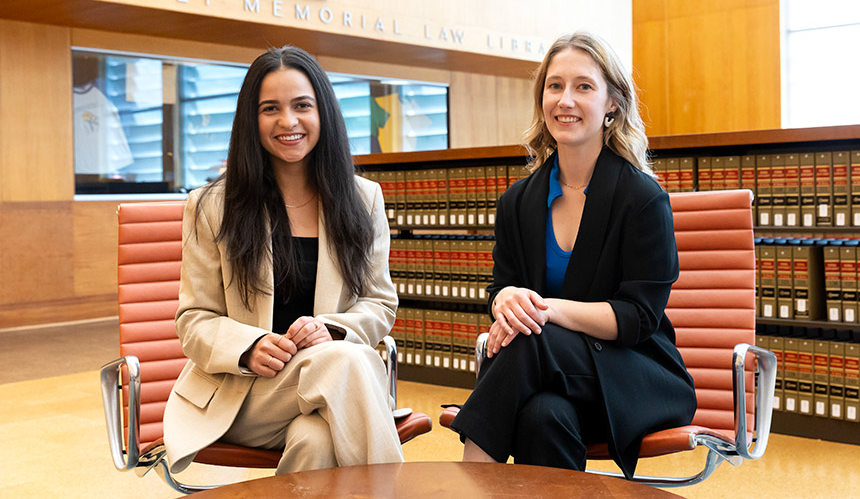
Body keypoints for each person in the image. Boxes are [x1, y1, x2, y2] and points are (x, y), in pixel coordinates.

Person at [449, 31, 696, 479]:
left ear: (613, 103)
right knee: (542, 418)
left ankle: (467, 482)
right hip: (552, 381)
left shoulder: (641, 199)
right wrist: (503, 299)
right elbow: (501, 286)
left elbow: (638, 318)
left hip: (633, 377)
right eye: (555, 85)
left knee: (532, 337)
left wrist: (548, 311)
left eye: (584, 86)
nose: (566, 99)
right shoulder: (518, 202)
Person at [162, 46, 404, 474]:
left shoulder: (362, 199)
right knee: (346, 362)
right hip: (244, 396)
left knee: (316, 441)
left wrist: (332, 329)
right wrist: (248, 347)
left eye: (302, 106)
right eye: (270, 108)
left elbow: (379, 303)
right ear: (250, 121)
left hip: (331, 386)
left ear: (323, 112)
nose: (288, 121)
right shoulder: (211, 206)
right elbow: (194, 319)